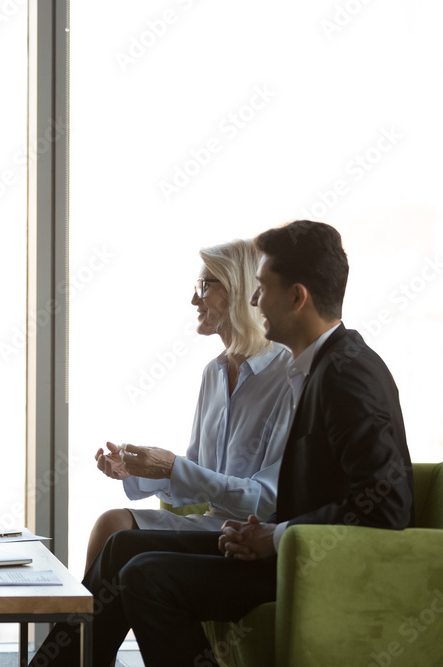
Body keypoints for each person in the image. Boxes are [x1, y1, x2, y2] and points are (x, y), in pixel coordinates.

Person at [29, 220, 413, 667]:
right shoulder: (313, 369)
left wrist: (276, 535)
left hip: (312, 564)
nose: (255, 300)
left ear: (296, 297)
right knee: (121, 548)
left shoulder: (346, 374)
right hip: (282, 546)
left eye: (262, 288)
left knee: (143, 576)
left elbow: (388, 506)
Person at [86, 238, 294, 571]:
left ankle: (75, 624)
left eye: (203, 286)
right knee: (111, 523)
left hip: (251, 535)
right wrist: (139, 470)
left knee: (119, 536)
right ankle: (79, 625)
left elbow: (265, 500)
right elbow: (201, 473)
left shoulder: (288, 377)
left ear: (237, 290)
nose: (194, 298)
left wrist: (172, 467)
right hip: (212, 524)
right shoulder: (214, 374)